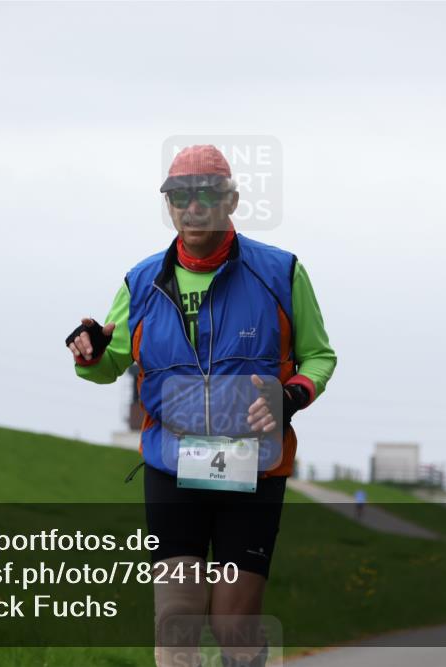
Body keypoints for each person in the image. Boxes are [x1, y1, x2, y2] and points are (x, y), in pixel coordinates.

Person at [66, 144, 337, 667]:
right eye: (178, 196)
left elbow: (319, 356)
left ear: (231, 200)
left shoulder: (280, 273)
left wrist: (291, 397)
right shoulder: (141, 282)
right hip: (173, 464)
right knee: (176, 621)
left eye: (206, 195)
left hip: (255, 468)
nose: (192, 208)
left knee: (234, 627)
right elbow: (109, 363)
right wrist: (91, 353)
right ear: (168, 205)